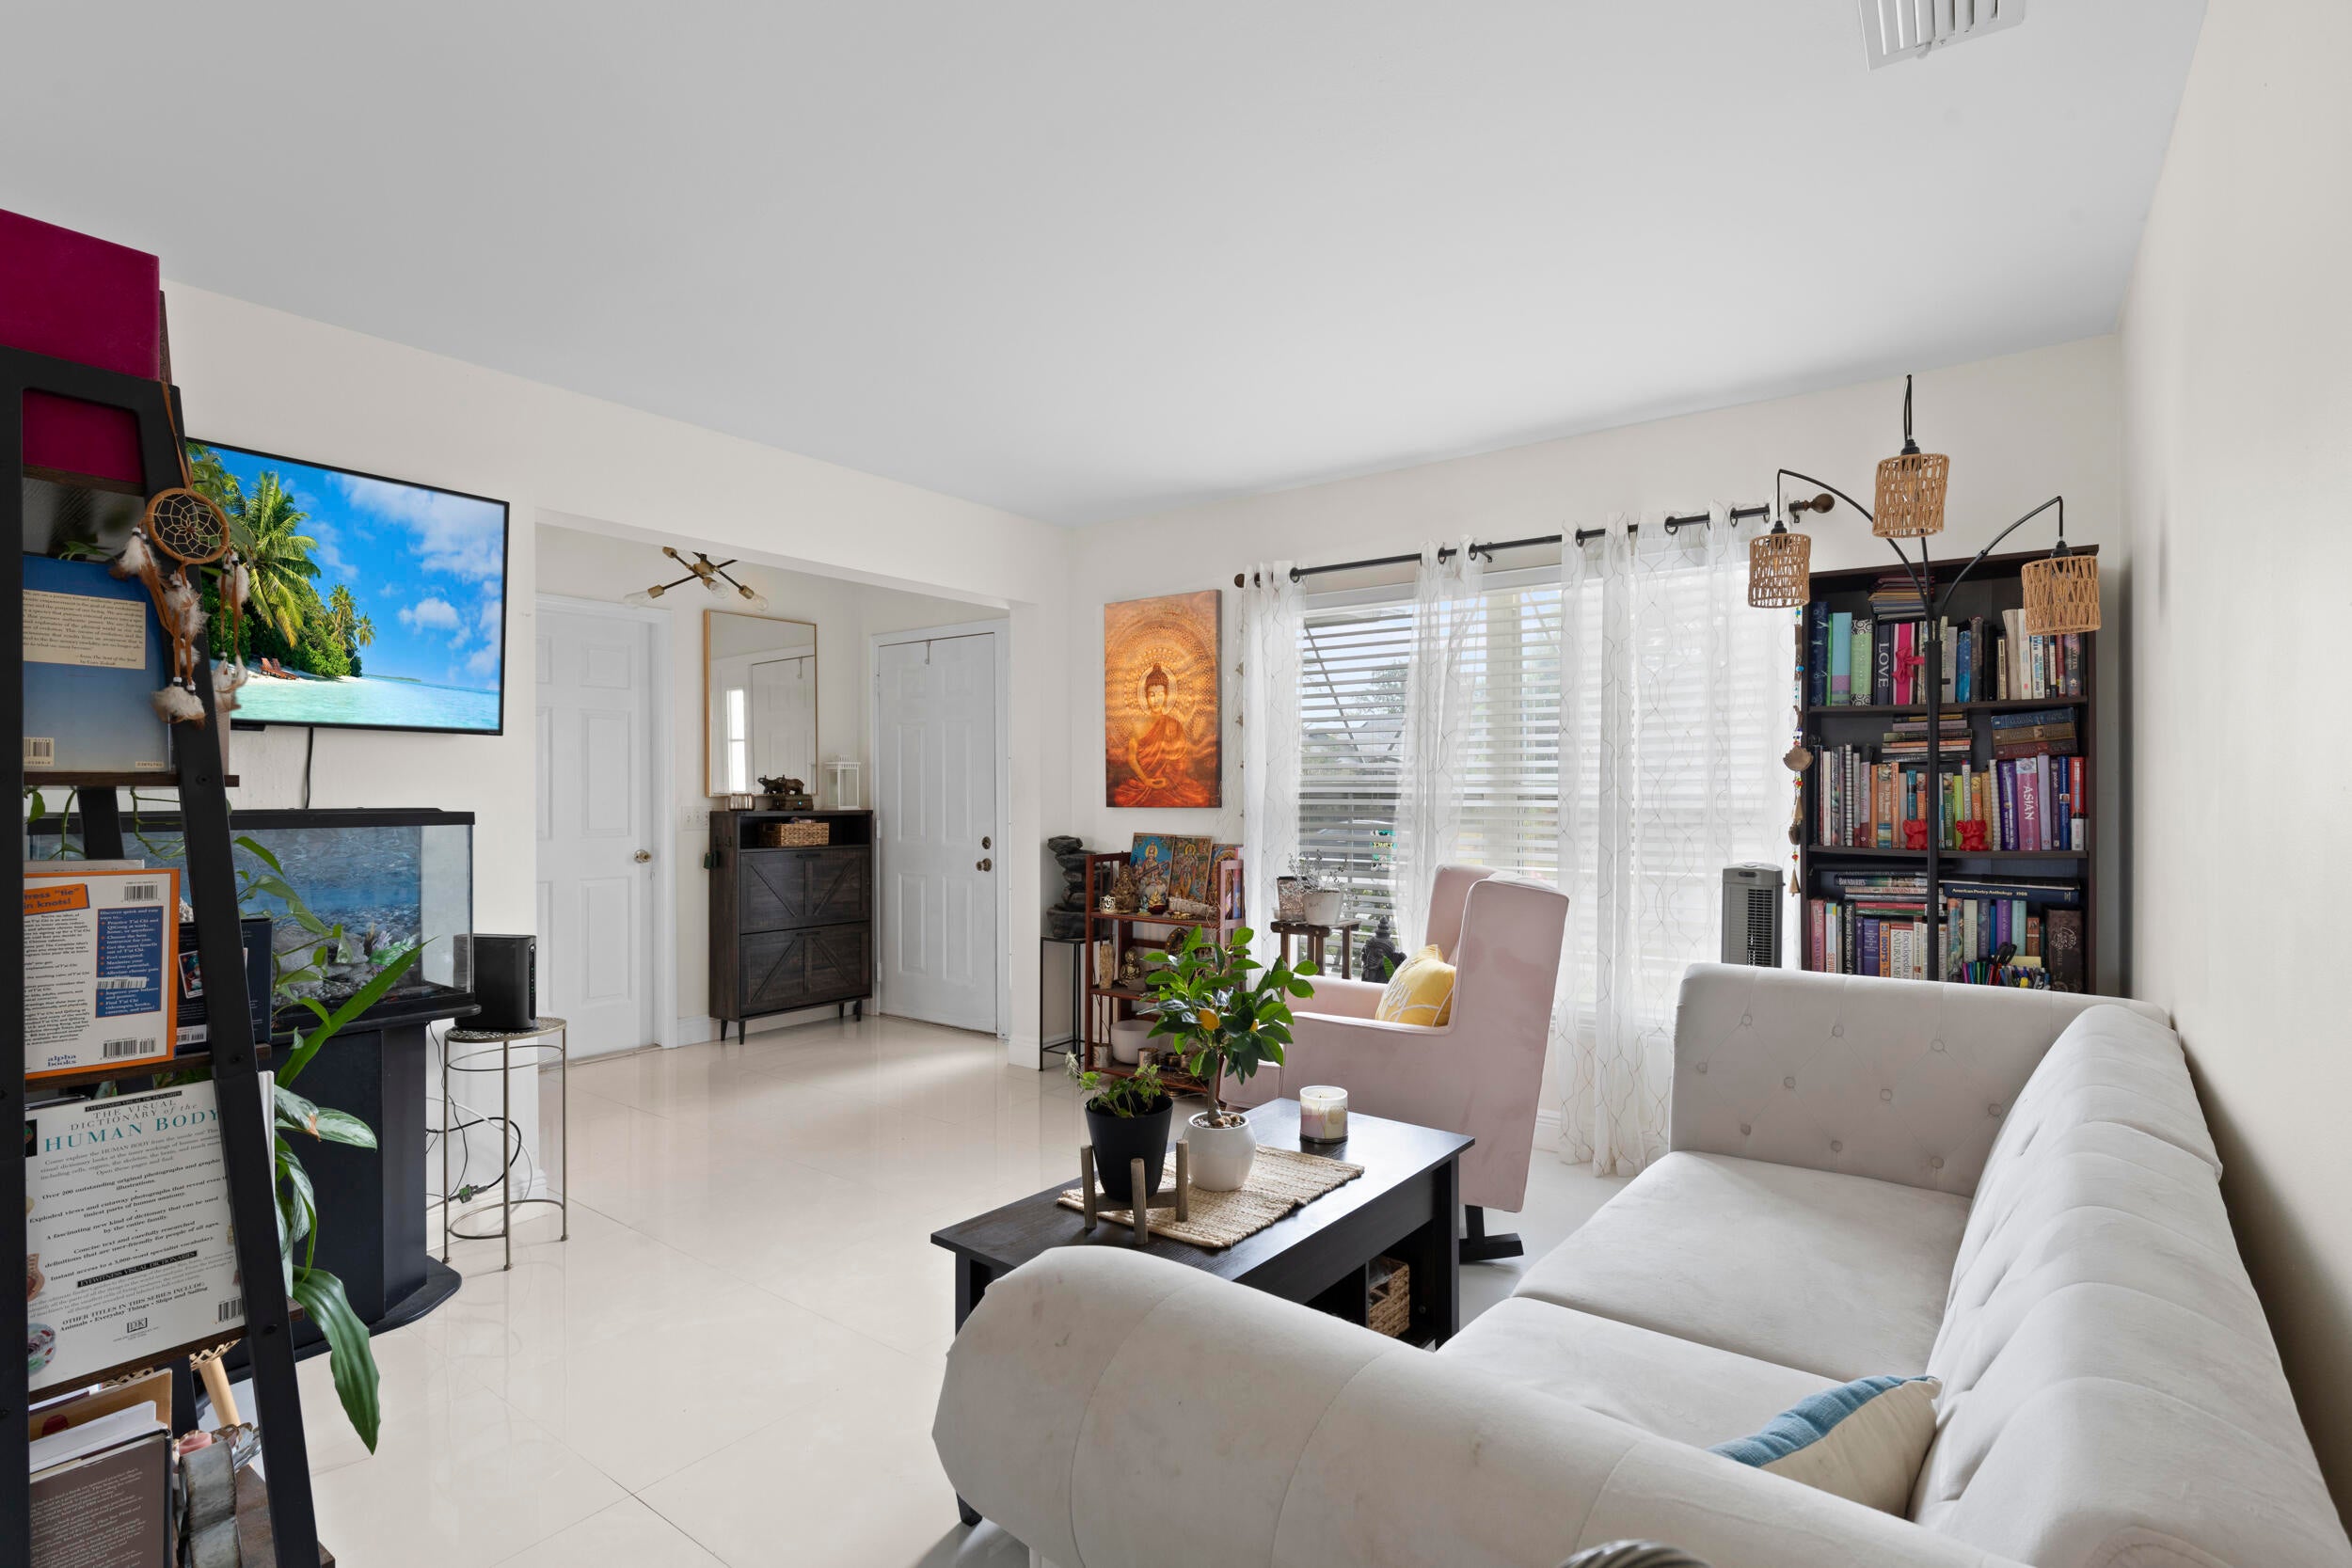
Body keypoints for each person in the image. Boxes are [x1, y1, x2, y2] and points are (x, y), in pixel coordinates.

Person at [1114, 663, 1213, 807]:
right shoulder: (1138, 725)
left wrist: (1168, 780)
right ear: (1145, 697)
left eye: (1160, 694)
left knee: (1200, 798)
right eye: (1152, 695)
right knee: (1120, 797)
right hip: (1144, 782)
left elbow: (1180, 760)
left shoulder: (1174, 725)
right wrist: (1146, 780)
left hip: (1172, 784)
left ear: (1167, 696)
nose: (1156, 700)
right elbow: (1131, 757)